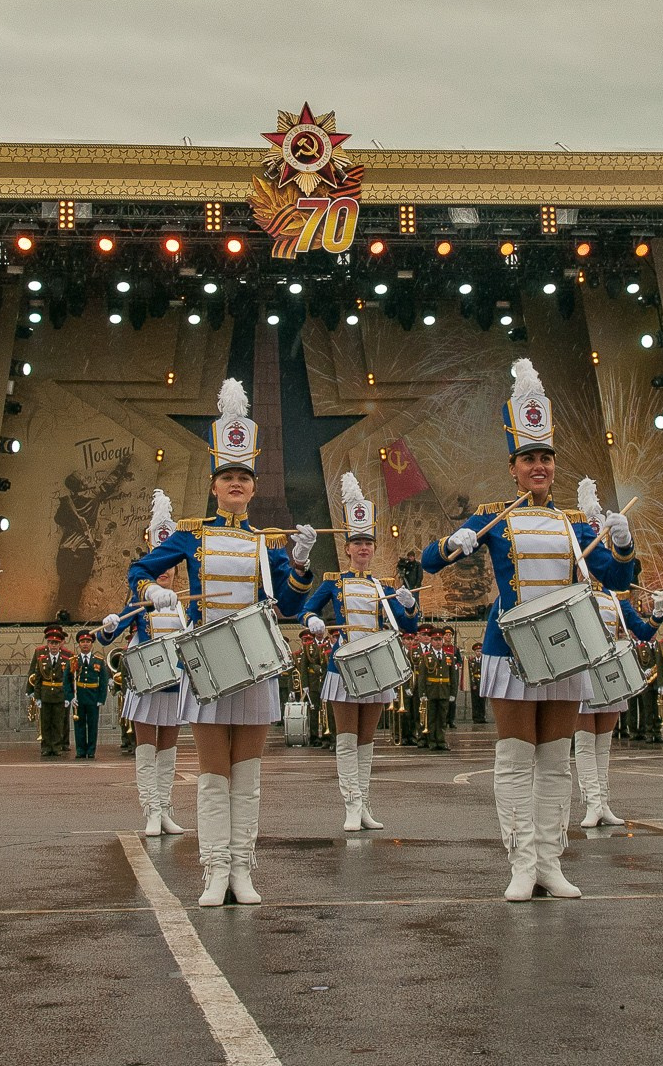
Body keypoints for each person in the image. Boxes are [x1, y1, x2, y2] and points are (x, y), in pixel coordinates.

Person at [418, 359, 638, 902]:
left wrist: (623, 542)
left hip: (564, 650)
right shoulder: (494, 517)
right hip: (510, 649)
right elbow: (428, 561)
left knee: (555, 760)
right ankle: (520, 863)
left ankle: (550, 862)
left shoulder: (574, 524)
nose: (538, 466)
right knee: (516, 757)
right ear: (513, 467)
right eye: (528, 459)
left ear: (553, 466)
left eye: (545, 458)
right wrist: (455, 544)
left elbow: (618, 576)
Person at [129, 378, 317, 907]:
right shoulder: (190, 536)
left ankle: (242, 870)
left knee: (248, 776)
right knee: (214, 774)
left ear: (253, 488)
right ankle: (214, 870)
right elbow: (140, 570)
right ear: (214, 485)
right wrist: (153, 593)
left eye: (243, 477)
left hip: (254, 664)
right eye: (227, 476)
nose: (236, 484)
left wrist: (300, 562)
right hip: (208, 666)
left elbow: (291, 604)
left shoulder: (264, 544)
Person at [294, 473, 421, 830]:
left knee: (367, 742)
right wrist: (313, 622)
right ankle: (350, 805)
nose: (364, 548)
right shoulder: (334, 582)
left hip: (377, 666)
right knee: (347, 740)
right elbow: (306, 609)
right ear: (347, 547)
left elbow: (407, 626)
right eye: (358, 543)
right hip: (343, 667)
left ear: (374, 549)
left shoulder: (383, 587)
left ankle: (364, 804)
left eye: (369, 543)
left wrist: (409, 605)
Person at [97, 489, 192, 838]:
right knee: (147, 746)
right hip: (146, 682)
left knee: (169, 749)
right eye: (159, 567)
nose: (164, 573)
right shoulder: (140, 601)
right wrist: (110, 625)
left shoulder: (182, 604)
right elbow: (110, 635)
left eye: (169, 567)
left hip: (174, 683)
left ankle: (165, 809)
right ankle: (150, 810)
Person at [574, 583, 656, 827]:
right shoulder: (575, 590)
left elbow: (642, 631)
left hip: (611, 670)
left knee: (603, 745)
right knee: (586, 743)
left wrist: (658, 613)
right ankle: (592, 805)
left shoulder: (616, 596)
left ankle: (604, 804)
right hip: (585, 668)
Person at [27, 625, 73, 757]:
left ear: (60, 644)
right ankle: (46, 747)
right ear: (47, 644)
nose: (54, 646)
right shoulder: (42, 659)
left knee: (58, 723)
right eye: (51, 643)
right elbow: (37, 678)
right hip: (46, 694)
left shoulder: (66, 658)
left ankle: (57, 746)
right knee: (45, 723)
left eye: (56, 643)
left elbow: (70, 679)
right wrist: (36, 696)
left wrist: (68, 696)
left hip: (59, 694)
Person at [71, 629, 110, 758]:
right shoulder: (74, 660)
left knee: (92, 725)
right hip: (79, 696)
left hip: (93, 697)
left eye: (88, 641)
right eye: (82, 641)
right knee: (79, 725)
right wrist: (70, 697)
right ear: (79, 644)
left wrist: (101, 698)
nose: (85, 644)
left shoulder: (98, 661)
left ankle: (91, 750)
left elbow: (103, 681)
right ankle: (81, 750)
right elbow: (67, 680)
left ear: (92, 643)